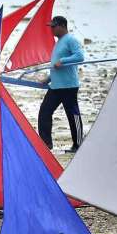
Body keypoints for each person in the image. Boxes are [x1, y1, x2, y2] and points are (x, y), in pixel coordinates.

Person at [39, 16, 84, 153]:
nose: (51, 29)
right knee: (44, 112)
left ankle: (78, 145)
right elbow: (55, 65)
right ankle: (46, 144)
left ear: (62, 26)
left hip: (69, 86)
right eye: (51, 26)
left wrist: (63, 61)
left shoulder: (71, 40)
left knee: (73, 115)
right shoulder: (58, 42)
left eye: (54, 26)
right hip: (56, 86)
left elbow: (80, 57)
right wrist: (48, 79)